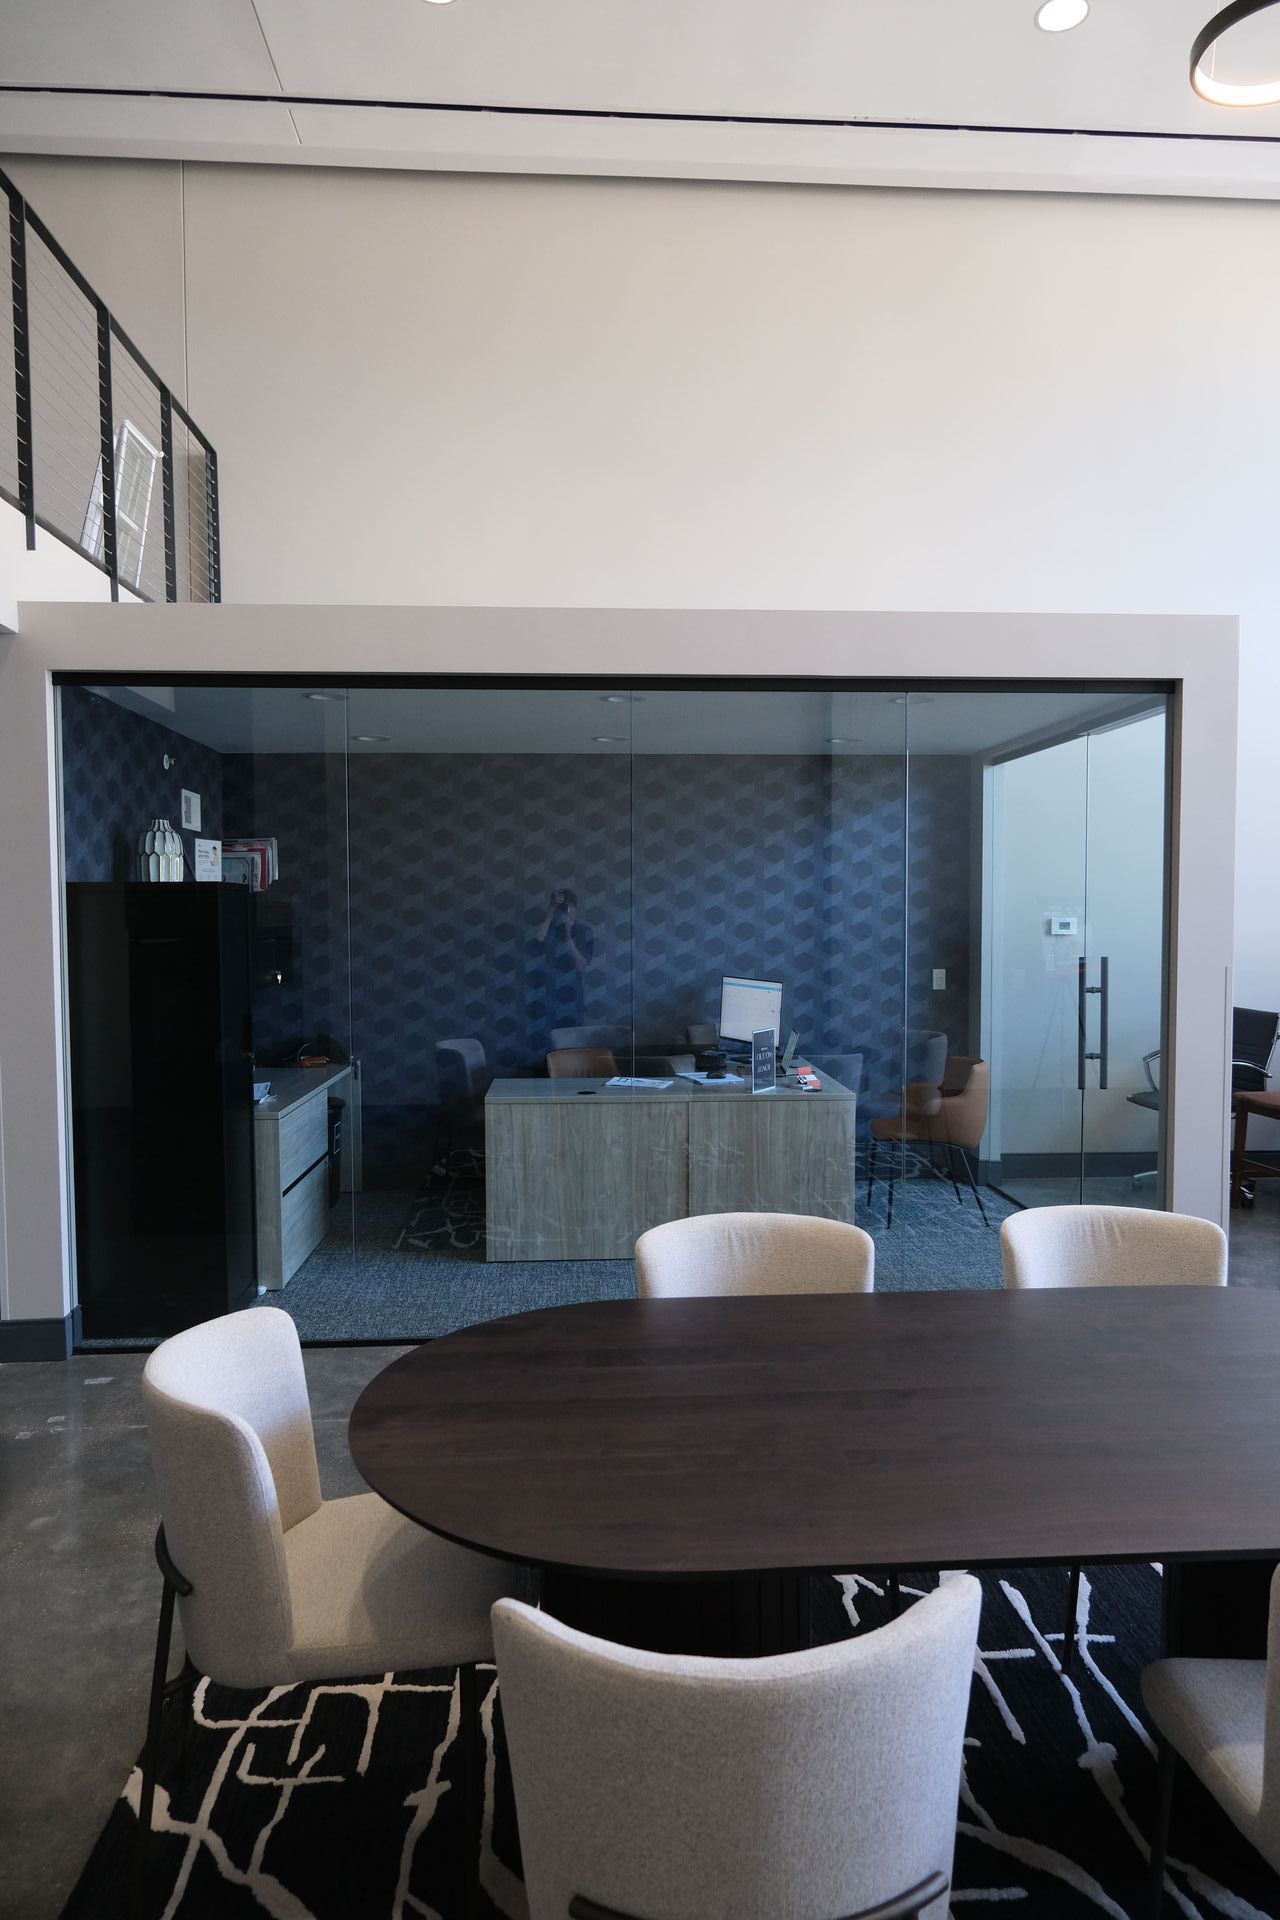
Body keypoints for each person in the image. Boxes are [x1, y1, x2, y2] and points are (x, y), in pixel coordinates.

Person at [533, 887, 594, 1033]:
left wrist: (567, 934)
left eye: (569, 906)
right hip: (546, 996)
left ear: (575, 908)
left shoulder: (584, 931)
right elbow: (537, 940)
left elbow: (581, 965)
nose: (566, 910)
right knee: (546, 1045)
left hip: (572, 997)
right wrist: (551, 909)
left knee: (572, 1044)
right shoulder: (549, 929)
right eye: (563, 906)